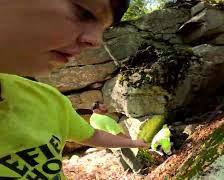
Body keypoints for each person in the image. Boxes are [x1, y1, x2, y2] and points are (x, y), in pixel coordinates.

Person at [0, 0, 147, 179]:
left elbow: (95, 137)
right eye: (84, 12)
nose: (97, 41)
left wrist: (135, 143)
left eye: (102, 28)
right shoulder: (97, 117)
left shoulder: (49, 99)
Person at [90, 101, 143, 174]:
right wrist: (129, 139)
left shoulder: (92, 118)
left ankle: (127, 171)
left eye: (105, 106)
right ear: (96, 110)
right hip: (118, 141)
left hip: (108, 142)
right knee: (129, 156)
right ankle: (139, 172)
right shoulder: (105, 119)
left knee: (119, 156)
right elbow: (117, 133)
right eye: (103, 107)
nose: (106, 108)